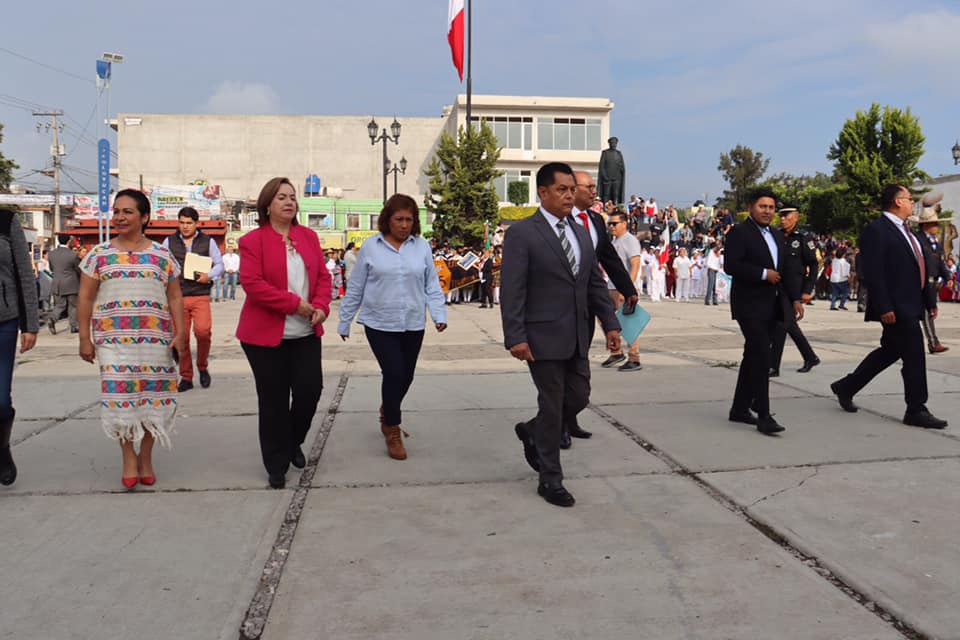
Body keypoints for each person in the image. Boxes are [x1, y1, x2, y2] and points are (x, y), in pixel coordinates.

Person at [501, 162, 620, 507]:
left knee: (579, 397)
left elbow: (594, 283)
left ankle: (532, 431)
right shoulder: (522, 233)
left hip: (578, 334)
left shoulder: (581, 231)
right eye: (562, 190)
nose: (570, 195)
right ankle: (550, 479)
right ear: (543, 192)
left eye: (572, 189)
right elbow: (512, 290)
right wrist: (516, 336)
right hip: (540, 337)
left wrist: (610, 323)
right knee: (552, 406)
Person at [77, 190, 185, 489]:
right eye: (116, 211)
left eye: (127, 212)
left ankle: (146, 456)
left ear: (144, 217)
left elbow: (175, 298)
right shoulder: (98, 255)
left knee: (154, 398)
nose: (120, 217)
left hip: (155, 342)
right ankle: (128, 456)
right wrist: (85, 338)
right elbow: (85, 298)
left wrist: (181, 334)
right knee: (119, 399)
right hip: (113, 343)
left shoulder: (162, 256)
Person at [236, 177, 332, 489]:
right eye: (281, 197)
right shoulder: (253, 241)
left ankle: (293, 441)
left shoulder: (309, 237)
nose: (289, 202)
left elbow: (323, 279)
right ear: (267, 205)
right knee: (273, 401)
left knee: (309, 391)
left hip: (305, 332)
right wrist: (295, 305)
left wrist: (319, 306)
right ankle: (276, 463)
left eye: (292, 197)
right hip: (264, 337)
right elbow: (253, 285)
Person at [339, 194, 446, 462]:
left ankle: (388, 410)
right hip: (379, 323)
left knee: (406, 375)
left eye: (409, 219)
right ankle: (392, 428)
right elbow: (356, 287)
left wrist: (438, 313)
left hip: (412, 322)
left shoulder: (421, 247)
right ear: (387, 219)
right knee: (394, 371)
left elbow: (431, 284)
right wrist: (345, 319)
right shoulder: (370, 248)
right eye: (399, 219)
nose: (404, 225)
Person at [830, 185, 947, 429]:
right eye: (908, 198)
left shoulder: (909, 231)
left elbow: (920, 268)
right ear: (896, 202)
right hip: (895, 306)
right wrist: (884, 305)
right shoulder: (877, 231)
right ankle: (916, 408)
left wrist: (929, 301)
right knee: (914, 355)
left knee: (890, 351)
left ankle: (847, 386)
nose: (912, 202)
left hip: (913, 303)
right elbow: (874, 273)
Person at [724, 187, 803, 435]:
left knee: (753, 354)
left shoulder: (777, 236)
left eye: (771, 208)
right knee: (761, 356)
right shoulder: (739, 232)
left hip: (773, 303)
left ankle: (739, 408)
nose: (768, 211)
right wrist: (762, 274)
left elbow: (787, 269)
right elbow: (731, 264)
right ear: (751, 207)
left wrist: (796, 299)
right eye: (762, 207)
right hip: (749, 304)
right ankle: (764, 414)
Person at [572, 171, 638, 376]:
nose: (595, 192)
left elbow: (609, 259)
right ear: (573, 190)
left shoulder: (595, 220)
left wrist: (628, 289)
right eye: (589, 188)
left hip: (591, 294)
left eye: (594, 187)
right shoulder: (560, 220)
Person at [163, 206, 223, 392]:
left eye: (189, 223)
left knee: (203, 332)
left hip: (200, 294)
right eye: (182, 222)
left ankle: (202, 366)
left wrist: (210, 275)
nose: (185, 226)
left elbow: (219, 264)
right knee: (182, 339)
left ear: (196, 224)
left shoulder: (208, 242)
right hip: (177, 296)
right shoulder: (169, 241)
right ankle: (186, 377)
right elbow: (162, 263)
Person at [0, 209, 39, 486]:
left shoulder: (6, 220)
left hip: (5, 320)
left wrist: (31, 325)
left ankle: (1, 449)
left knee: (1, 400)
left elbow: (24, 273)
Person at [770, 208, 820, 376]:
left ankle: (774, 366)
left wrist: (807, 291)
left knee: (782, 325)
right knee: (786, 324)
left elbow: (813, 266)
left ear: (796, 217)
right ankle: (810, 357)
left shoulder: (804, 237)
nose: (783, 220)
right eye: (781, 216)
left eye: (787, 216)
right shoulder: (776, 235)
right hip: (778, 287)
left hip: (795, 289)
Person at [606, 211, 644, 371]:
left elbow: (635, 265)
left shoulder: (630, 240)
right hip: (610, 287)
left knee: (629, 324)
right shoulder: (615, 241)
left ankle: (634, 358)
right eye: (609, 224)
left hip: (622, 289)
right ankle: (616, 352)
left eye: (614, 223)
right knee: (606, 321)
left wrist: (627, 290)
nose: (611, 227)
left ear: (624, 223)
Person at [914, 208, 952, 353]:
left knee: (928, 312)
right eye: (934, 224)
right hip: (921, 282)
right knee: (927, 312)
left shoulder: (936, 242)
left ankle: (933, 342)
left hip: (932, 282)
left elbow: (940, 263)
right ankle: (933, 343)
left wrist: (947, 276)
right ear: (925, 225)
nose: (937, 227)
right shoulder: (918, 240)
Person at [47, 234, 81, 334]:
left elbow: (51, 268)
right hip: (71, 283)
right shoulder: (73, 255)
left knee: (59, 305)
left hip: (57, 283)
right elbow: (78, 269)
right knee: (73, 305)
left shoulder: (52, 254)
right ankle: (74, 326)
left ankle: (52, 318)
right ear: (68, 241)